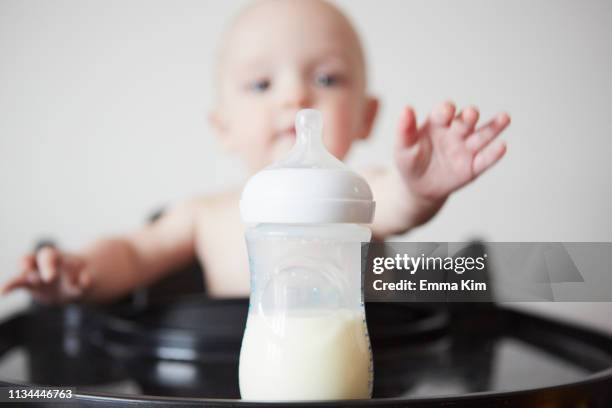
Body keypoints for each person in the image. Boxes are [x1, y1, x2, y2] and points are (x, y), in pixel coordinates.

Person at [0, 0, 510, 304]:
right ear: (224, 127)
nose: (295, 97)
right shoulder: (206, 217)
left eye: (326, 78)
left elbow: (397, 204)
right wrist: (78, 271)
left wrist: (419, 187)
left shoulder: (358, 192)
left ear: (366, 116)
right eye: (261, 83)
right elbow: (135, 254)